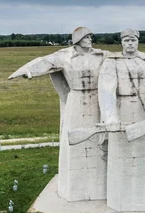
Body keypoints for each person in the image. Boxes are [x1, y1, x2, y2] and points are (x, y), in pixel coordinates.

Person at [9, 27, 108, 201]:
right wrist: (28, 72)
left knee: (99, 141)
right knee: (74, 142)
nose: (90, 39)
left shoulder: (101, 55)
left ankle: (100, 188)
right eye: (86, 36)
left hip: (97, 101)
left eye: (91, 36)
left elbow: (122, 60)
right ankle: (75, 189)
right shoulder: (65, 56)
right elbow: (45, 62)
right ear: (77, 39)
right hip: (76, 101)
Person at [98, 28, 145, 211]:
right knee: (122, 155)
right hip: (123, 109)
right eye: (126, 40)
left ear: (138, 41)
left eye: (133, 40)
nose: (130, 43)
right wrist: (110, 117)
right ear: (121, 43)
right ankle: (122, 198)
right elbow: (106, 89)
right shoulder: (112, 62)